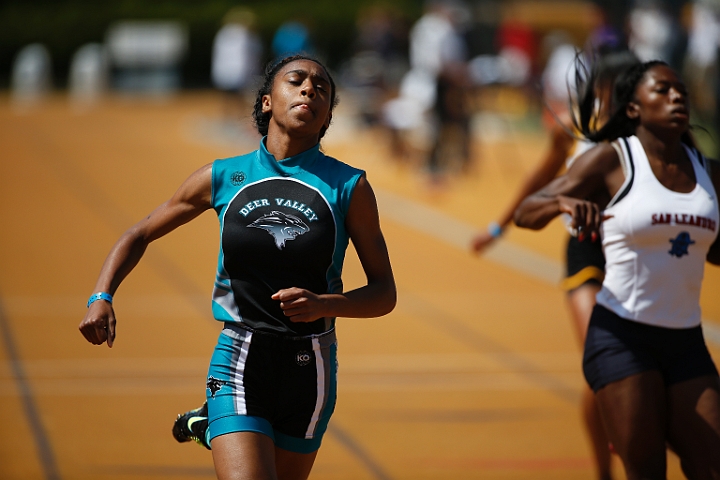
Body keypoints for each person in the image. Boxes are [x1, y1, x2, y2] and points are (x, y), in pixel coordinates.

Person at [79, 54, 397, 480]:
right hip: (239, 356)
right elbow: (139, 233)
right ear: (267, 102)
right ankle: (221, 419)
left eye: (322, 88)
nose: (309, 90)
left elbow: (384, 293)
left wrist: (324, 303)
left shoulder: (349, 186)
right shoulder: (224, 176)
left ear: (326, 119)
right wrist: (101, 295)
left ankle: (209, 425)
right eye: (297, 81)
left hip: (310, 368)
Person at [514, 58, 720, 479]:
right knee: (646, 471)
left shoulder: (707, 172)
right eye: (661, 90)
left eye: (679, 89)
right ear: (633, 108)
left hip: (686, 341)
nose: (676, 96)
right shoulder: (612, 160)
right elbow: (526, 211)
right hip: (622, 336)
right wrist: (560, 203)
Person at [471, 49, 640, 480]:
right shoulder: (575, 127)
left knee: (634, 366)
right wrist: (498, 227)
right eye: (617, 86)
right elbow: (541, 178)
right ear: (602, 88)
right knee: (599, 361)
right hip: (586, 251)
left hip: (636, 255)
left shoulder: (647, 132)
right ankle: (604, 470)